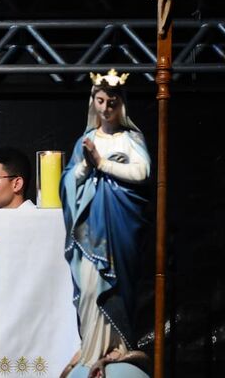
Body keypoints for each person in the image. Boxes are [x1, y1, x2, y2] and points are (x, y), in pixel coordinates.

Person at [59, 69, 151, 378]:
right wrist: (86, 164)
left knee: (119, 283)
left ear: (121, 104)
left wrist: (103, 164)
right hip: (90, 229)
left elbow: (142, 173)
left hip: (121, 223)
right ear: (92, 102)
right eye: (100, 100)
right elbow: (69, 181)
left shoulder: (131, 138)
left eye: (112, 101)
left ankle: (118, 345)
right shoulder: (85, 140)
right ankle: (91, 349)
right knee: (89, 284)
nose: (106, 107)